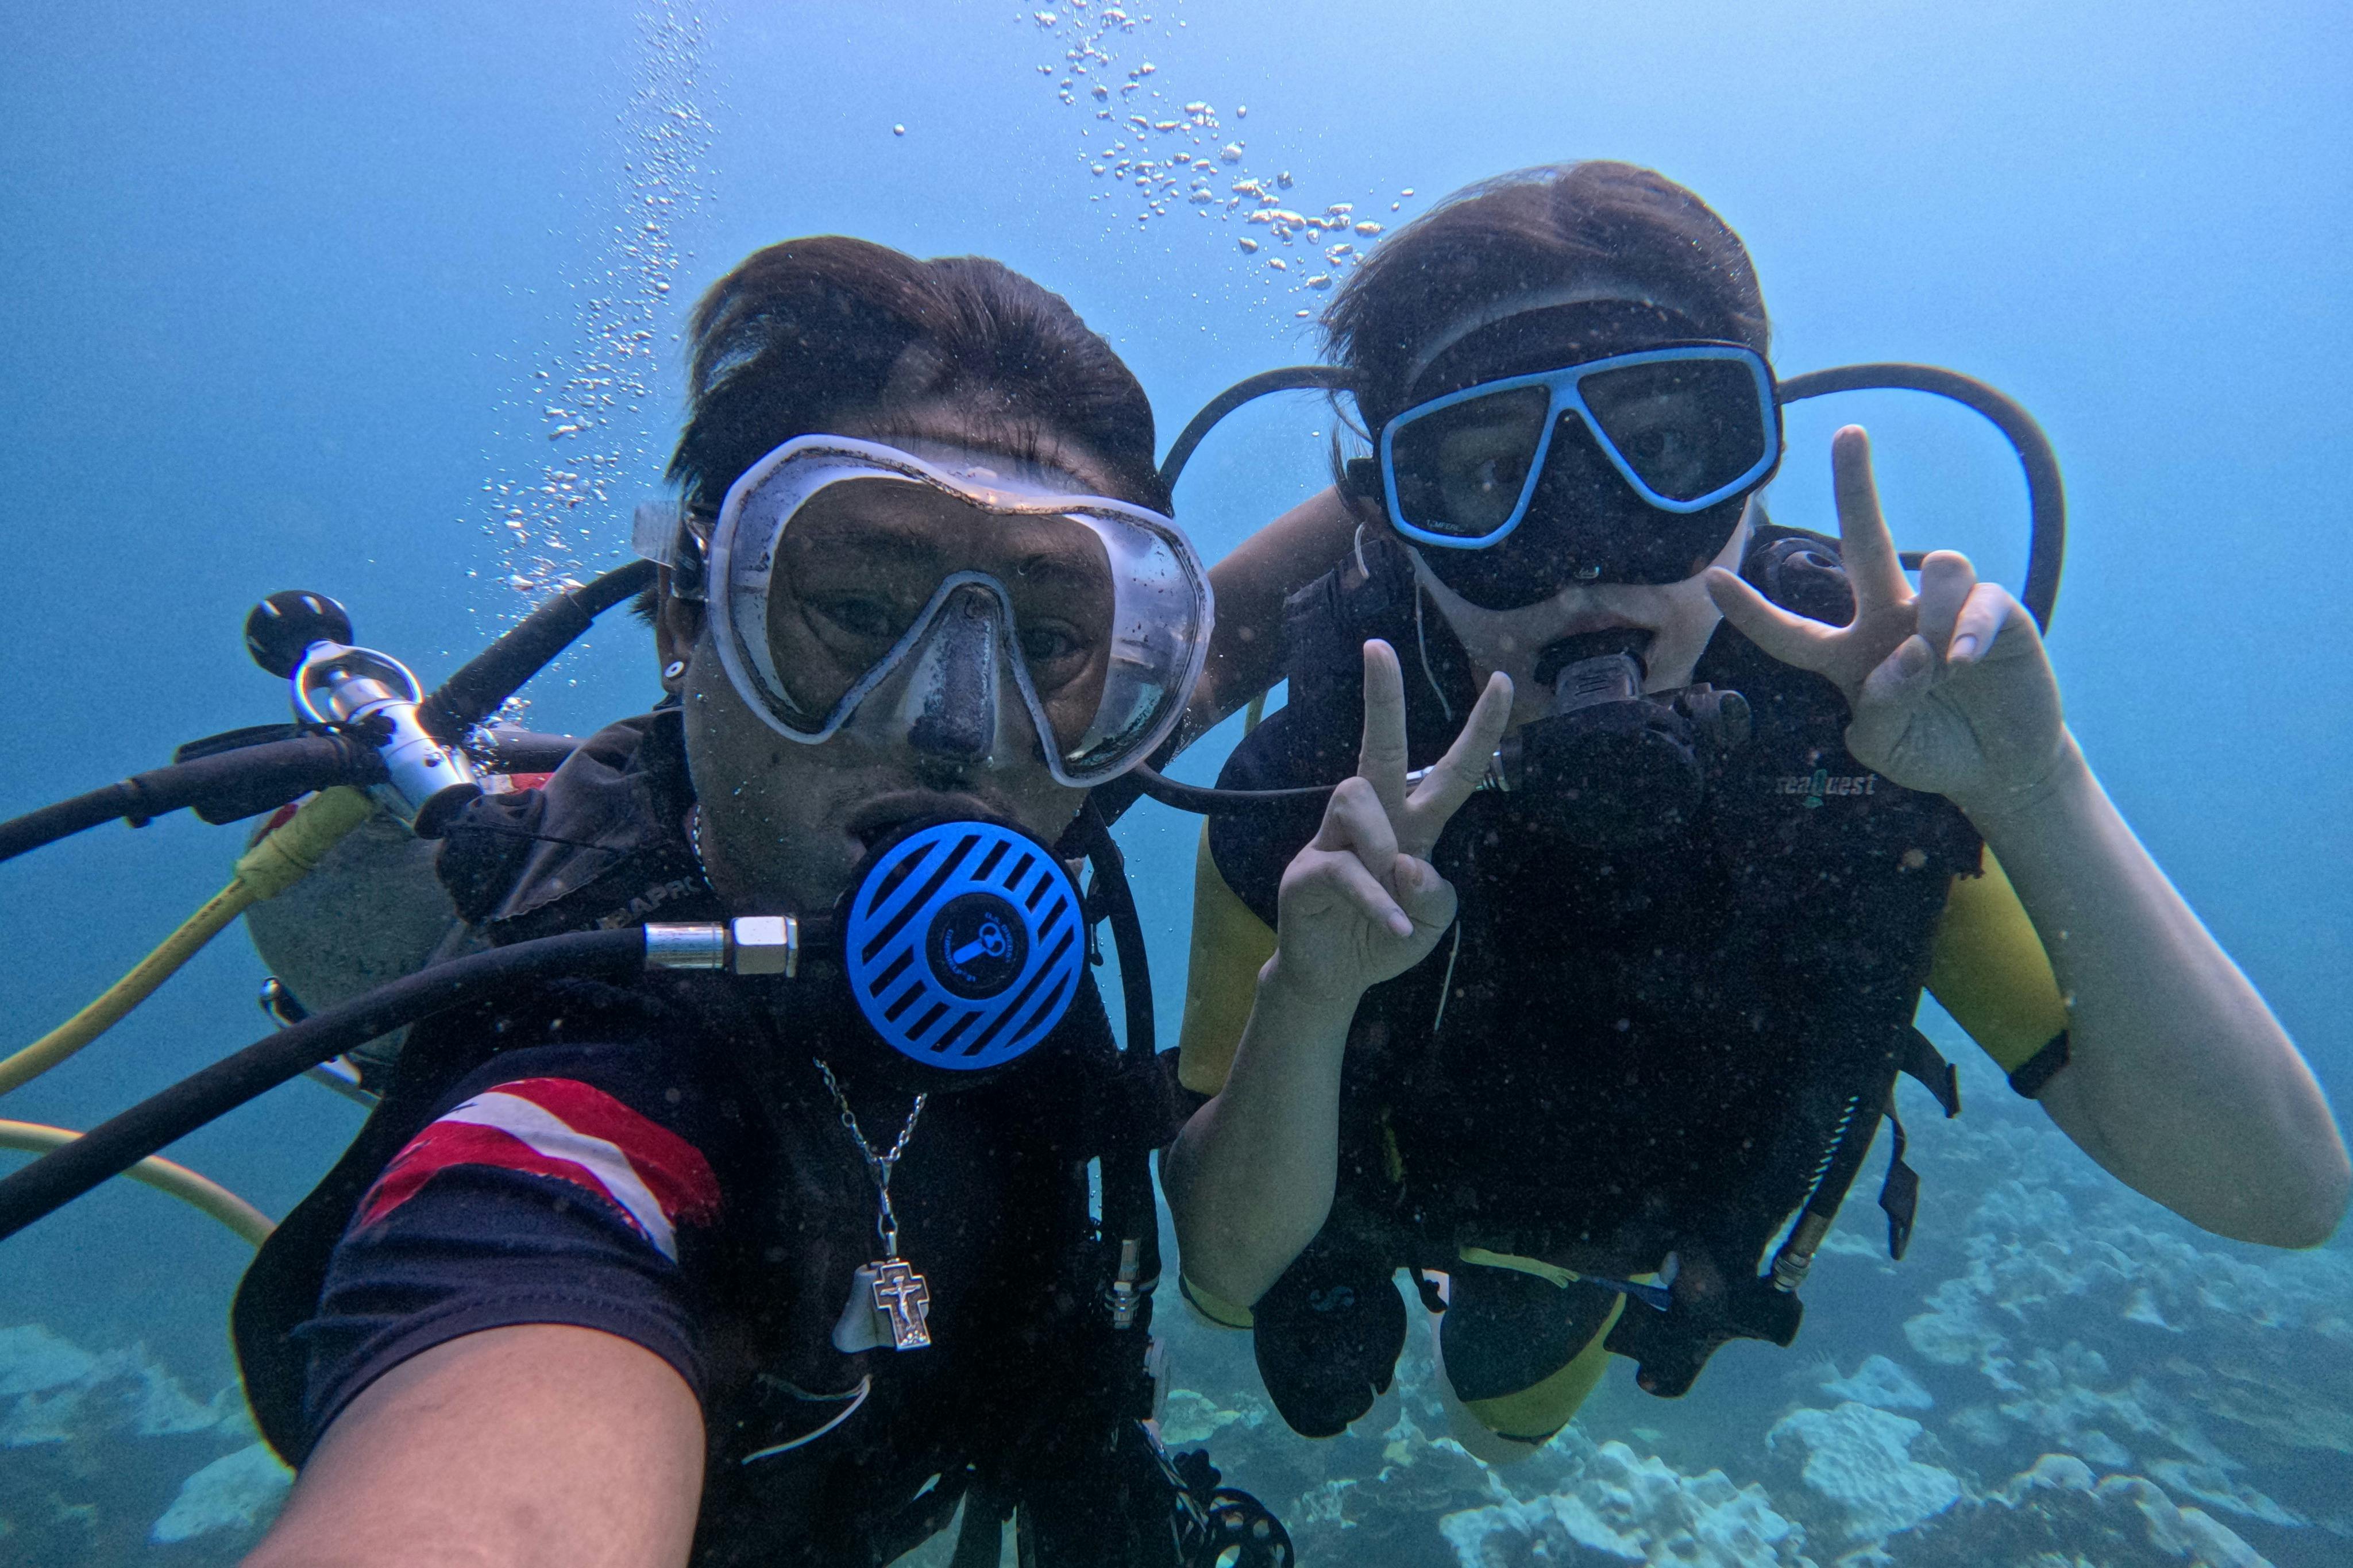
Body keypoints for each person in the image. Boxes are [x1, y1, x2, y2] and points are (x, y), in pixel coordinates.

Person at [1161, 161, 2349, 1459]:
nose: (1583, 555)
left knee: (1507, 1418)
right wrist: (1307, 993)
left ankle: (1551, 1301)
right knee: (1376, 1370)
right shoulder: (1317, 778)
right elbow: (1220, 1277)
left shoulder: (1863, 735)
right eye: (1488, 470)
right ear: (1396, 518)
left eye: (1665, 450)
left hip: (1647, 1231)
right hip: (1381, 1185)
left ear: (1752, 466)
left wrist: (2031, 786)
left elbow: (2280, 1193)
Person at [233, 236, 1277, 1567]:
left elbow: (1298, 599)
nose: (957, 730)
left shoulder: (1028, 802)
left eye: (1049, 638)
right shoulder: (593, 1091)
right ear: (686, 619)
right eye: (858, 607)